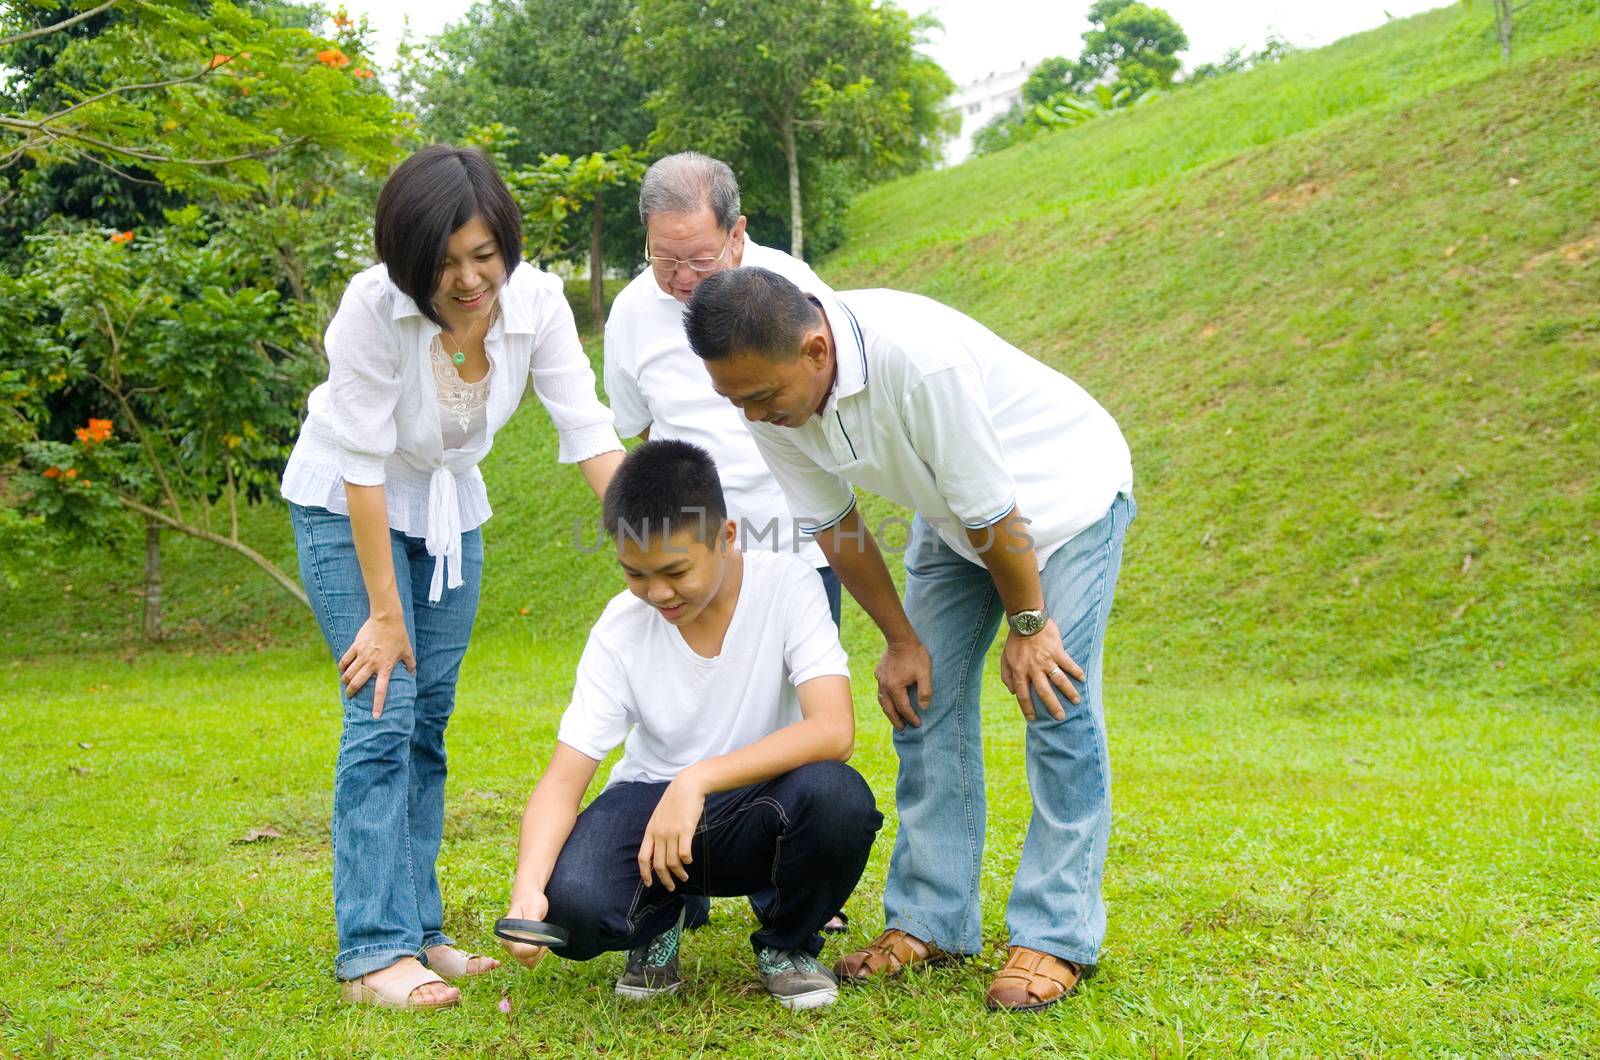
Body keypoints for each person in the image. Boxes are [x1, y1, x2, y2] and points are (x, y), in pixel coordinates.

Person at [683, 268, 1135, 1012]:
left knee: (1055, 702)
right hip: (960, 516)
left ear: (816, 350)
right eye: (737, 401)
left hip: (1063, 498)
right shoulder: (768, 400)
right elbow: (838, 525)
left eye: (761, 398)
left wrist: (1029, 625)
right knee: (919, 698)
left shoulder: (918, 361)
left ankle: (1056, 933)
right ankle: (933, 918)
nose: (752, 416)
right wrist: (900, 641)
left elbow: (999, 511)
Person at [281, 144, 624, 1010]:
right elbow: (361, 465)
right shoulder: (371, 310)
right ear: (406, 261)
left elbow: (586, 428)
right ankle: (372, 951)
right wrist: (385, 617)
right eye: (444, 265)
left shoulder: (537, 303)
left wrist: (658, 538)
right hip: (346, 502)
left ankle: (421, 931)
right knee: (382, 708)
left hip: (446, 505)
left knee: (428, 722)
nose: (471, 281)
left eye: (485, 255)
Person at [498, 440, 882, 1011]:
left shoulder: (788, 585)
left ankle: (787, 944)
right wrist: (527, 888)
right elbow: (562, 781)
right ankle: (657, 927)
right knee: (570, 908)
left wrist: (696, 779)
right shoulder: (620, 629)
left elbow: (833, 730)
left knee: (837, 797)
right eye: (636, 574)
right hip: (649, 809)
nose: (657, 594)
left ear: (726, 538)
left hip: (755, 805)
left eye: (675, 571)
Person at [603, 151, 849, 934]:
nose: (678, 278)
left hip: (793, 547)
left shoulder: (790, 286)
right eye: (662, 258)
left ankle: (790, 896)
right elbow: (634, 434)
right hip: (695, 556)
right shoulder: (634, 313)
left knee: (794, 725)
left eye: (697, 259)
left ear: (738, 234)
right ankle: (684, 881)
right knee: (689, 715)